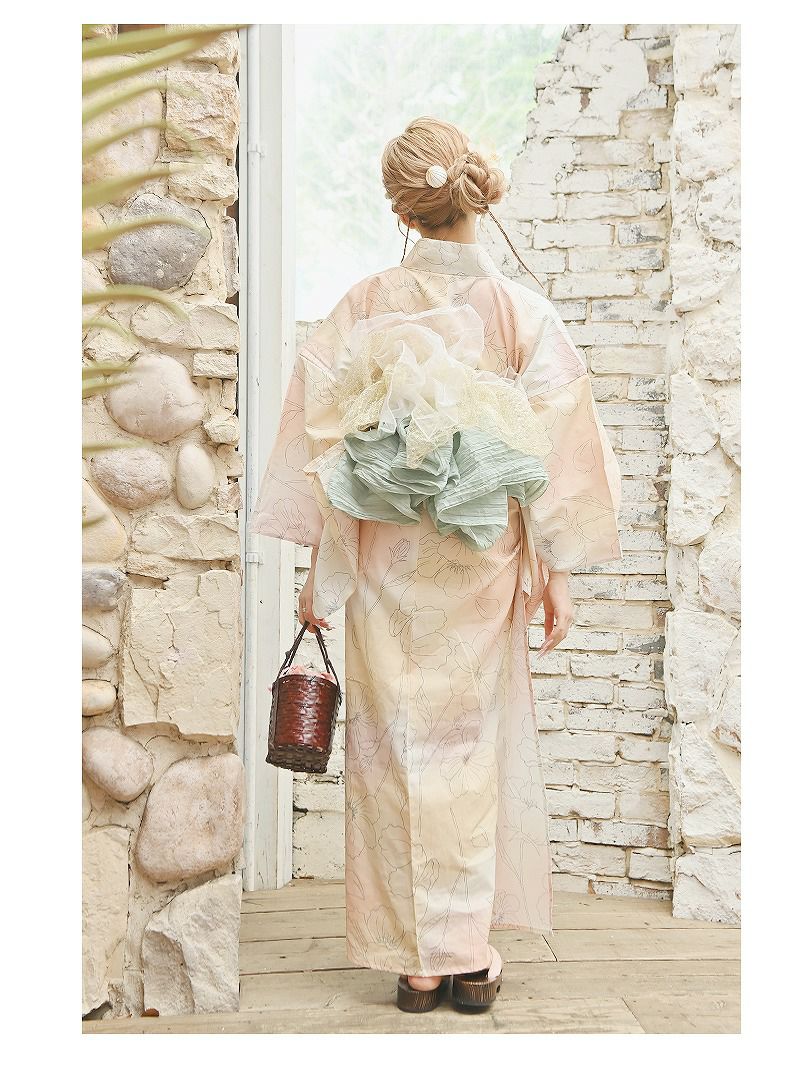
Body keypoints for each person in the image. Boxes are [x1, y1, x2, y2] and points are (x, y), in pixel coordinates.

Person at [249, 116, 622, 1014]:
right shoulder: (519, 311)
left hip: (385, 552)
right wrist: (558, 570)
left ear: (400, 208)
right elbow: (559, 445)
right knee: (470, 749)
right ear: (476, 194)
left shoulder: (364, 305)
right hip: (479, 555)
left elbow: (326, 446)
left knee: (390, 749)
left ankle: (416, 961)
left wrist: (322, 573)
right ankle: (467, 950)